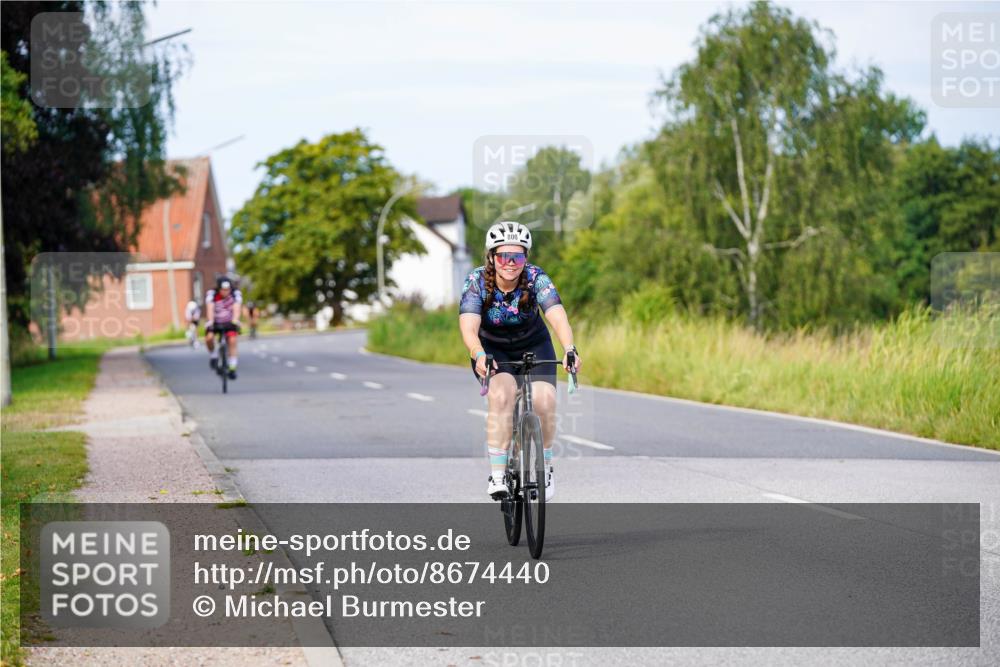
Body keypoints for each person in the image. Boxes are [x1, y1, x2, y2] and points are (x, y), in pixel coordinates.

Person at [458, 221, 582, 501]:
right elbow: (469, 326)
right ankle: (498, 475)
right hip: (492, 350)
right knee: (502, 396)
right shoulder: (476, 281)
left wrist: (569, 347)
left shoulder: (536, 277)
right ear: (492, 257)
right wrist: (478, 353)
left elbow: (556, 314)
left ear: (526, 258)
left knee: (544, 400)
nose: (511, 263)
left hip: (534, 345)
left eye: (518, 257)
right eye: (504, 256)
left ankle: (545, 469)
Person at [204, 275, 242, 379]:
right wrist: (211, 322)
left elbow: (237, 308)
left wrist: (235, 320)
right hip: (216, 321)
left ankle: (232, 367)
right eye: (223, 290)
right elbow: (210, 308)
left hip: (229, 322)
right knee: (209, 338)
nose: (226, 292)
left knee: (232, 341)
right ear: (219, 289)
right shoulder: (212, 294)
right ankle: (213, 356)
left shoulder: (235, 294)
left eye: (227, 290)